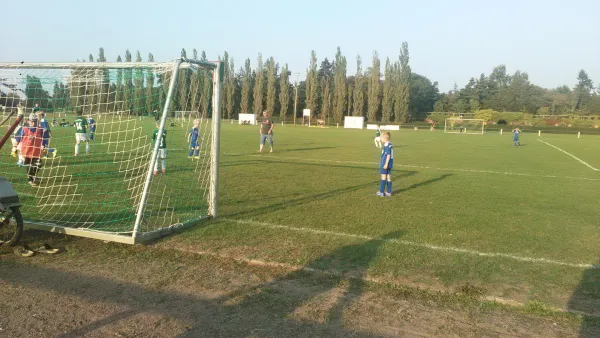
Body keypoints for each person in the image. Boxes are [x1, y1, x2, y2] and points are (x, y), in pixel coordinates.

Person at [20, 113, 44, 187]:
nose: (33, 123)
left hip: (36, 152)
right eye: (32, 121)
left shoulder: (39, 129)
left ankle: (33, 176)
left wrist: (44, 145)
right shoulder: (24, 129)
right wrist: (15, 148)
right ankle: (30, 180)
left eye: (35, 121)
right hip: (26, 152)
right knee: (29, 166)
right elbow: (17, 139)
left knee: (39, 164)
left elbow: (45, 138)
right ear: (28, 121)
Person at [376, 132, 393, 197]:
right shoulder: (389, 144)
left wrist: (385, 164)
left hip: (385, 162)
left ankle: (381, 192)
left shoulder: (386, 146)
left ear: (384, 138)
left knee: (383, 177)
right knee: (388, 176)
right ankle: (389, 192)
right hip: (390, 163)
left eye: (381, 138)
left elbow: (388, 155)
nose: (380, 139)